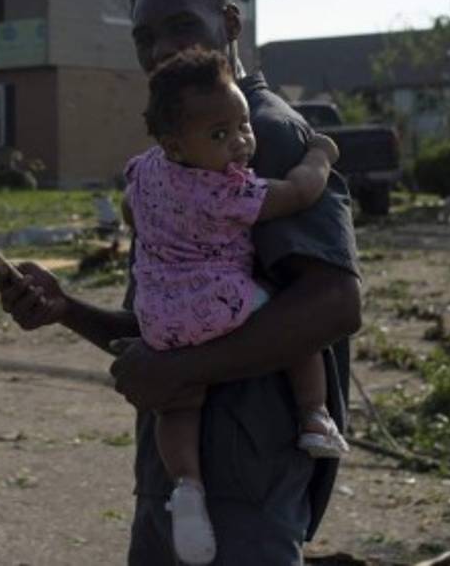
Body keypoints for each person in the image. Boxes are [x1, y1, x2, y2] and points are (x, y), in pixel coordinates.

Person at [0, 0, 362, 564]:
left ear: (231, 24)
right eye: (145, 37)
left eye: (181, 26)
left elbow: (334, 303)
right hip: (177, 481)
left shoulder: (263, 136)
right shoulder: (173, 160)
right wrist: (64, 309)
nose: (162, 49)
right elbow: (164, 331)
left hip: (246, 482)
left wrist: (183, 370)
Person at [124, 47, 349, 564]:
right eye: (220, 136)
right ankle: (314, 414)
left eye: (243, 126)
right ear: (176, 144)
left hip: (158, 314)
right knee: (292, 324)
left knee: (178, 405)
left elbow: (128, 207)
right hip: (222, 302)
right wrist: (321, 155)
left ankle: (186, 487)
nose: (242, 142)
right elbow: (297, 193)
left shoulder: (146, 171)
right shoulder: (226, 192)